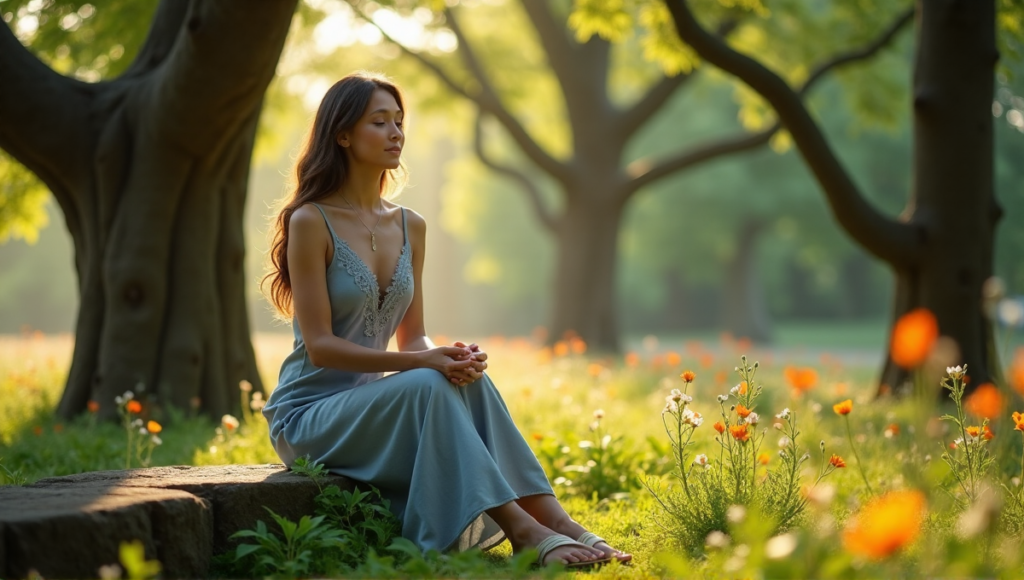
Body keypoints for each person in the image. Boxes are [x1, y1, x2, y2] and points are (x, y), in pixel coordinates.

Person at [260, 71, 631, 567]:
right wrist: (425, 364)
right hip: (309, 416)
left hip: (375, 407)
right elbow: (321, 347)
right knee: (428, 381)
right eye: (379, 122)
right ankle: (522, 530)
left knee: (466, 379)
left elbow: (413, 337)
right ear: (343, 135)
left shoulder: (410, 225)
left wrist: (448, 357)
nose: (396, 133)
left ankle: (559, 522)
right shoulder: (311, 220)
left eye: (399, 121)